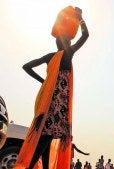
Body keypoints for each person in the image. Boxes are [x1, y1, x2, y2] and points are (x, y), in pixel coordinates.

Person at [15, 7, 89, 169]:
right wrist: (81, 18)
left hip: (49, 104)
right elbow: (85, 35)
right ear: (68, 41)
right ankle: (28, 166)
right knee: (45, 139)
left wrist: (43, 81)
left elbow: (26, 66)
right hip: (54, 107)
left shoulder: (52, 57)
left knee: (46, 141)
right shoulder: (68, 53)